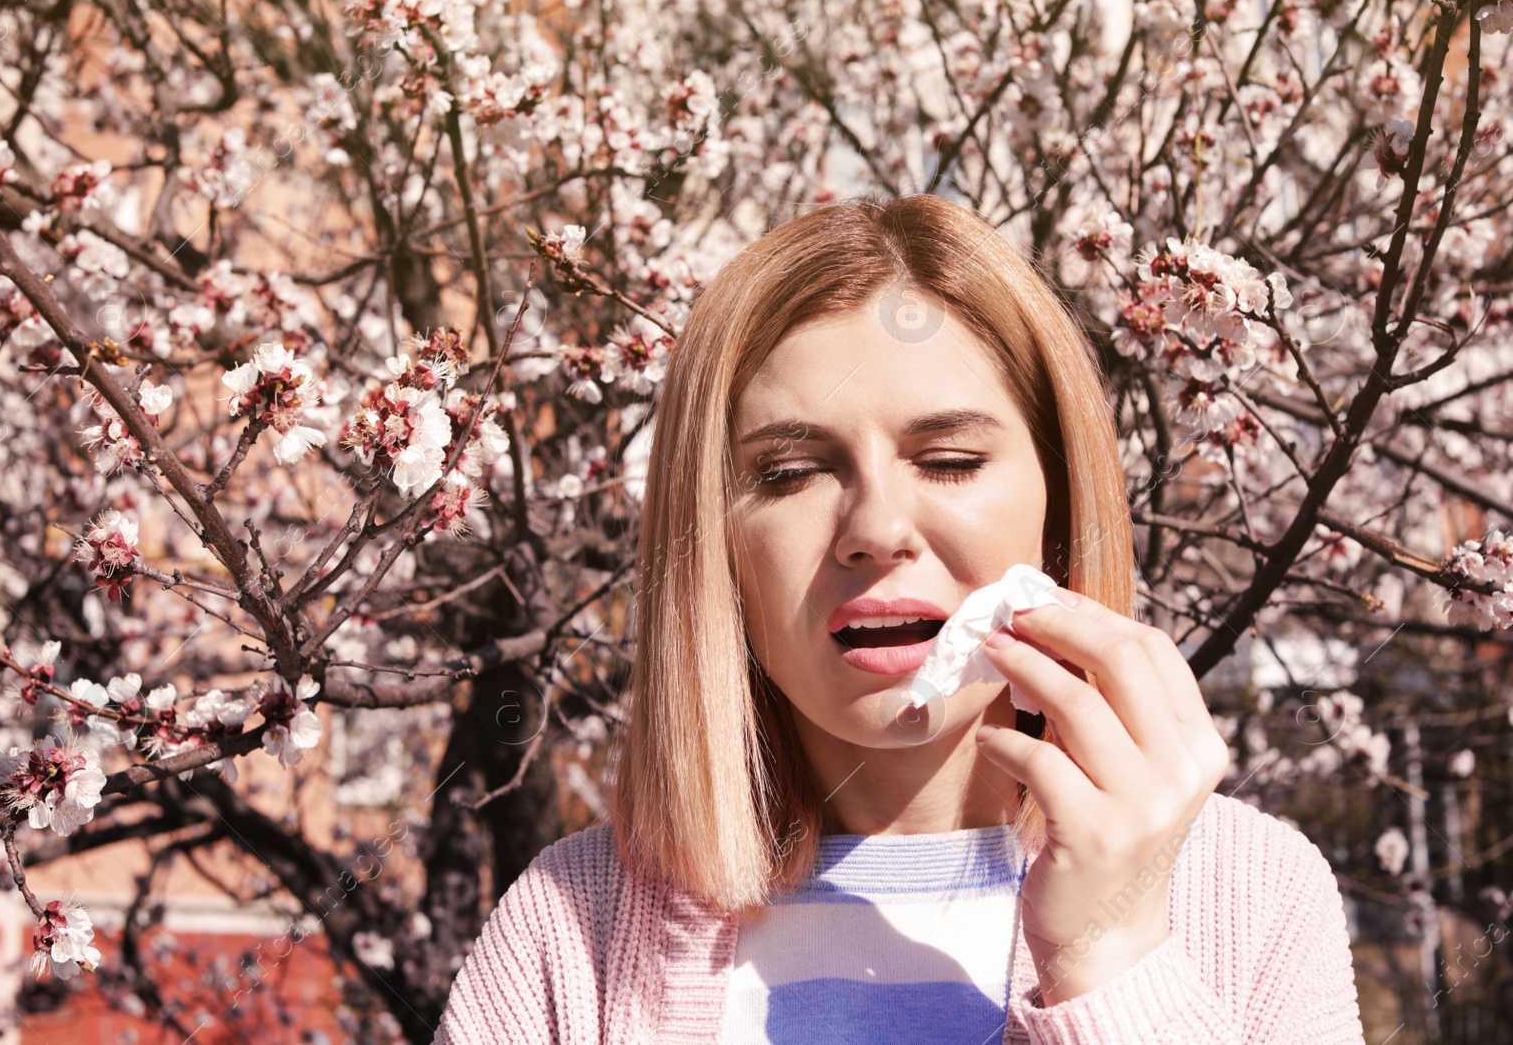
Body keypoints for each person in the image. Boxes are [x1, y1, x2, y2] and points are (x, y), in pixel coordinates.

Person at [434, 194, 1365, 1044]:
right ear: (711, 540)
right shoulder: (573, 929)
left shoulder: (1250, 895)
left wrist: (1109, 958)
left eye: (951, 459)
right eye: (790, 473)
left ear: (1060, 506)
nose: (875, 530)